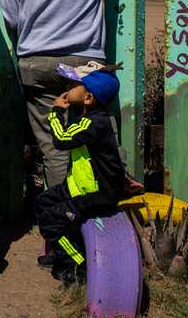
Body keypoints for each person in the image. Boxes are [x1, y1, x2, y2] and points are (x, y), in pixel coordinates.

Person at [0, 0, 116, 194]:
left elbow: (11, 19)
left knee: (54, 145)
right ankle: (100, 206)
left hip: (37, 64)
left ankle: (61, 212)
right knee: (96, 135)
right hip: (85, 65)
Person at [36, 62, 123, 285]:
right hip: (81, 185)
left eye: (75, 84)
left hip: (96, 193)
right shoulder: (90, 119)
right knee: (44, 203)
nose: (68, 86)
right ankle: (61, 251)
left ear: (88, 98)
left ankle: (76, 265)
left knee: (51, 222)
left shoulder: (92, 123)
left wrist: (55, 112)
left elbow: (61, 140)